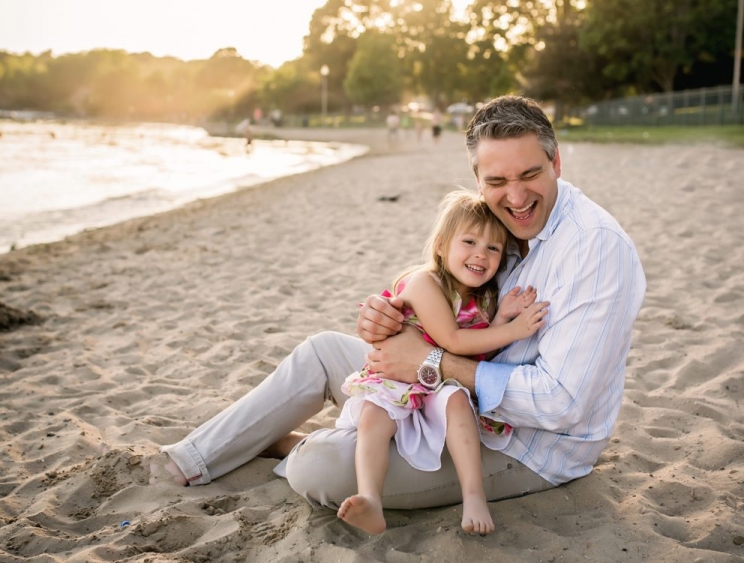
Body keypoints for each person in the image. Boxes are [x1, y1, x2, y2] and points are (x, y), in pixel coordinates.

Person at [155, 95, 645, 529]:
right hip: (447, 392)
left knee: (318, 468)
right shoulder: (501, 226)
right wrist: (388, 318)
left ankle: (295, 444)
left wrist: (430, 363)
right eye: (497, 181)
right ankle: (190, 460)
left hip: (522, 445)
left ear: (556, 161)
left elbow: (562, 404)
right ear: (478, 181)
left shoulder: (594, 249)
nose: (516, 197)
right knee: (324, 351)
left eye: (530, 174)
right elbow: (449, 294)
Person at [335, 190, 548, 535]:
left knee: (459, 402)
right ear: (440, 246)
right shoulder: (424, 283)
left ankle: (474, 497)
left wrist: (498, 319)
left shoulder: (482, 298)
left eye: (493, 248)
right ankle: (370, 498)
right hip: (398, 378)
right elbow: (453, 341)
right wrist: (512, 330)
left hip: (438, 384)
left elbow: (474, 356)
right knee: (374, 415)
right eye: (469, 242)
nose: (481, 254)